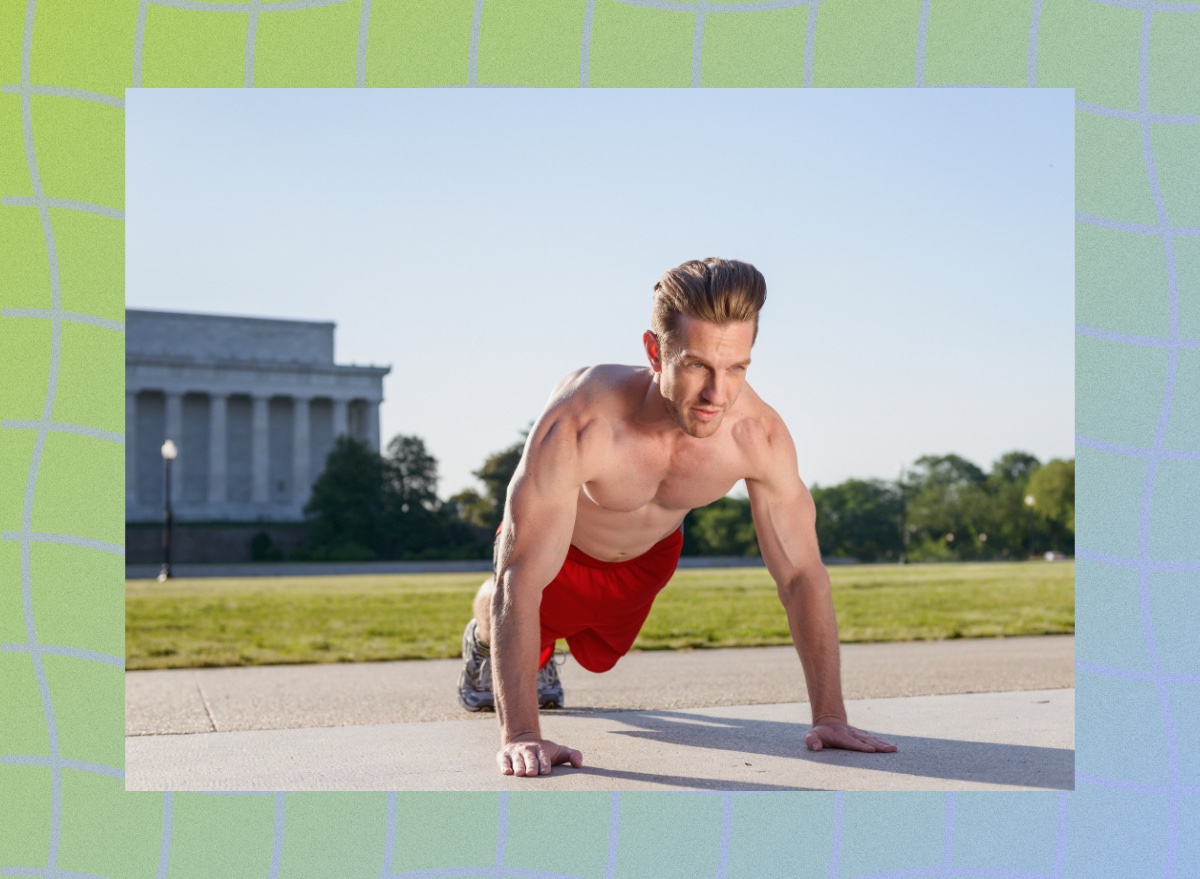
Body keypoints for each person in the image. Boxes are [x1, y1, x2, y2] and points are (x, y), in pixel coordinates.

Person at [458, 257, 897, 777]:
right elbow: (522, 575)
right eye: (696, 365)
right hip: (560, 548)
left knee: (601, 657)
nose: (717, 394)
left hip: (648, 560)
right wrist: (523, 735)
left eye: (736, 368)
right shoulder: (583, 418)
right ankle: (485, 638)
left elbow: (802, 574)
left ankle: (541, 653)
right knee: (514, 603)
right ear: (654, 352)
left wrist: (831, 717)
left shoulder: (758, 435)